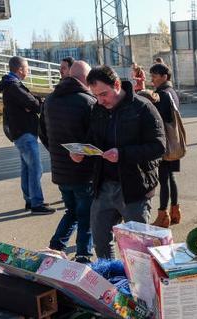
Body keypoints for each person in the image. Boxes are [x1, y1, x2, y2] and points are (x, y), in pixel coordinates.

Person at [70, 66, 165, 259]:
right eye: (96, 95)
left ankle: (139, 286)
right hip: (103, 186)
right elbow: (92, 139)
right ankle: (110, 281)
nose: (101, 100)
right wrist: (81, 152)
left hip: (134, 189)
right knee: (100, 241)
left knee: (138, 247)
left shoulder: (143, 108)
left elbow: (158, 147)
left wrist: (122, 154)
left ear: (117, 85)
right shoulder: (98, 109)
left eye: (104, 94)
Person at [40, 60, 96, 263]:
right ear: (86, 79)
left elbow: (43, 134)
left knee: (71, 211)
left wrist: (58, 153)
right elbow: (95, 136)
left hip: (60, 169)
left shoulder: (50, 99)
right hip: (84, 170)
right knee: (85, 215)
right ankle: (83, 254)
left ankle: (55, 247)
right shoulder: (87, 101)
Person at [0, 56, 55, 215]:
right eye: (27, 67)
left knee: (27, 169)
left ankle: (30, 200)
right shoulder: (14, 87)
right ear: (20, 69)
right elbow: (35, 104)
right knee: (36, 169)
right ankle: (37, 203)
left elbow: (32, 102)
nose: (28, 70)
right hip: (24, 133)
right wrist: (34, 105)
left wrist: (33, 104)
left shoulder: (13, 85)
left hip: (21, 132)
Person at [148, 63, 183, 228]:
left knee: (164, 179)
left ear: (164, 76)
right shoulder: (172, 92)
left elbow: (160, 120)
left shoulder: (162, 94)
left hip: (165, 144)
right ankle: (175, 211)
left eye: (155, 76)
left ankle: (163, 215)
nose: (152, 79)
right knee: (171, 177)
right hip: (174, 143)